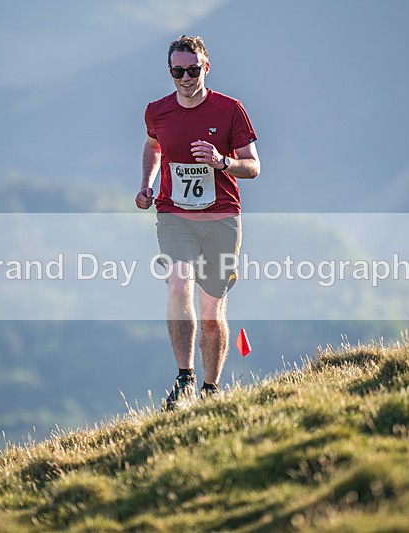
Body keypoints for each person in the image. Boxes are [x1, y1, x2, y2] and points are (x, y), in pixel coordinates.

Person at [135, 35, 260, 410]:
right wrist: (146, 184)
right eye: (178, 71)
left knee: (210, 312)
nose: (186, 77)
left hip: (222, 216)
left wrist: (222, 161)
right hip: (174, 214)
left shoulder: (230, 110)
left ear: (206, 67)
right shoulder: (157, 111)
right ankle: (185, 379)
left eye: (193, 70)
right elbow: (153, 145)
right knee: (178, 282)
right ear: (170, 72)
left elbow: (253, 166)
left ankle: (210, 388)